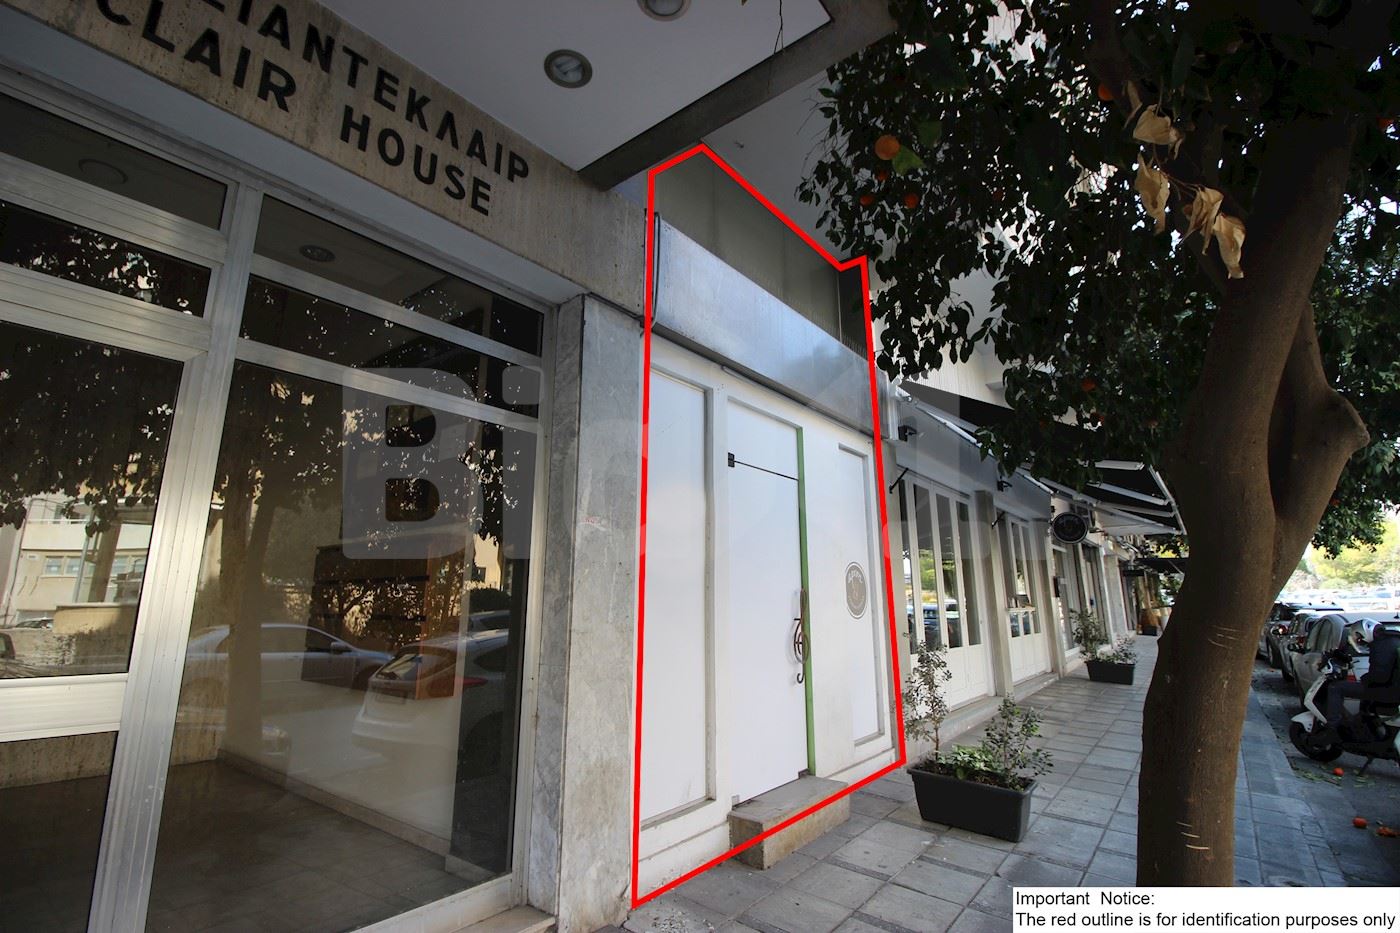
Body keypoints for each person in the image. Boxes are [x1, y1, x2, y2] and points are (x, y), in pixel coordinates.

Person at [1323, 619, 1400, 727]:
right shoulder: (1394, 639)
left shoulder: (1380, 645)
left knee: (1335, 687)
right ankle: (1364, 722)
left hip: (1390, 691)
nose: (1360, 641)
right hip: (1393, 688)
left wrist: (1365, 679)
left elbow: (1379, 677)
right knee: (1365, 690)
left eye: (1359, 638)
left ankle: (1332, 726)